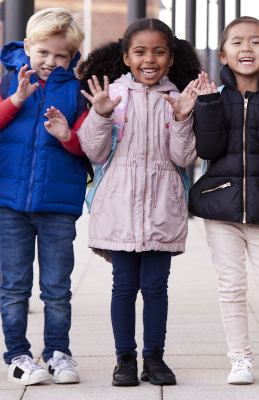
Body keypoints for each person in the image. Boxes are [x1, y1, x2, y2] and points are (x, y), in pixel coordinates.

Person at [75, 18, 201, 387]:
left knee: (157, 288)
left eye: (159, 51)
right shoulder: (111, 94)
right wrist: (100, 114)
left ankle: (155, 358)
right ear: (126, 57)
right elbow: (94, 152)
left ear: (171, 57)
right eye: (140, 52)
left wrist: (181, 117)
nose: (150, 59)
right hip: (119, 207)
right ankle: (124, 359)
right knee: (123, 287)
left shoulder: (178, 98)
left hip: (163, 206)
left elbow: (183, 157)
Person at [188, 16, 259, 385]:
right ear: (223, 55)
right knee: (232, 287)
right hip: (221, 208)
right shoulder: (213, 99)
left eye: (256, 42)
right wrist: (205, 107)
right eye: (237, 42)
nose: (246, 48)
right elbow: (206, 150)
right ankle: (240, 358)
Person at [0, 8, 87, 385]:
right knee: (13, 286)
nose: (50, 62)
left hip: (57, 205)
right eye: (43, 52)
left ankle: (58, 352)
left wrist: (66, 135)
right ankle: (18, 355)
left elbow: (88, 147)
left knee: (57, 287)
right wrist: (15, 100)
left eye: (60, 56)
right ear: (27, 47)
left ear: (71, 57)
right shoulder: (11, 81)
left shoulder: (77, 91)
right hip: (11, 204)